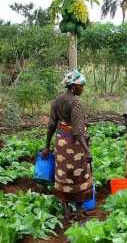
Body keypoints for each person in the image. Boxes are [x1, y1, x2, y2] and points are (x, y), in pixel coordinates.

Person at [42, 70, 93, 220]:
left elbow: (51, 125)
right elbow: (78, 131)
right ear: (72, 86)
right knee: (79, 175)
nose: (82, 88)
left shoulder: (57, 100)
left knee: (63, 174)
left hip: (61, 143)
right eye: (81, 85)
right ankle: (77, 213)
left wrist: (47, 146)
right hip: (74, 144)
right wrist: (87, 150)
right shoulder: (75, 101)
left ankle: (66, 211)